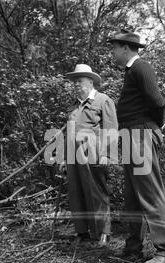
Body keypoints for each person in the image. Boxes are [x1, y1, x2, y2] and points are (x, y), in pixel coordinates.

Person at [108, 29, 165, 263]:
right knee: (132, 196)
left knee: (150, 192)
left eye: (115, 47)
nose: (113, 52)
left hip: (140, 134)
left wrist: (157, 126)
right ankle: (133, 248)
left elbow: (157, 102)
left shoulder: (141, 67)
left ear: (126, 48)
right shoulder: (131, 71)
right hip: (129, 135)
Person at [62, 64, 118, 247]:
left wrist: (107, 155)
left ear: (91, 81)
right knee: (76, 193)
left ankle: (104, 232)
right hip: (73, 155)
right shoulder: (73, 106)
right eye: (74, 82)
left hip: (94, 153)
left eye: (80, 81)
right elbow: (68, 133)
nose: (76, 85)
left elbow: (110, 129)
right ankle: (82, 232)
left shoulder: (103, 100)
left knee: (97, 192)